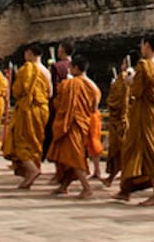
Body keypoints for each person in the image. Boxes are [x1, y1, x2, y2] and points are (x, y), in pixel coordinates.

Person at [115, 35, 154, 206]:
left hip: (143, 110)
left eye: (143, 45)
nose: (141, 48)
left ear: (148, 46)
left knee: (146, 148)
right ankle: (126, 189)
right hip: (152, 111)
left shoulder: (145, 65)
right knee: (132, 148)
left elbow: (137, 90)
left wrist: (129, 82)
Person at [3, 42, 51, 189]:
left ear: (29, 53)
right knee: (35, 142)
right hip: (42, 109)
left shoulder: (27, 69)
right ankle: (32, 172)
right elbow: (50, 94)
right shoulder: (46, 71)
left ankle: (32, 169)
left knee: (20, 142)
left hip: (27, 109)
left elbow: (17, 91)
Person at [47, 53, 94, 198]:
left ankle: (87, 188)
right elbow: (94, 106)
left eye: (71, 68)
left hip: (71, 124)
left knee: (74, 157)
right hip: (82, 123)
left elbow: (58, 102)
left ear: (75, 68)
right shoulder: (91, 85)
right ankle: (64, 186)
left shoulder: (70, 85)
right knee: (67, 157)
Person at [102, 50, 136, 187]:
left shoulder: (124, 77)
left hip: (121, 118)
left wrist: (114, 87)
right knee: (118, 150)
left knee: (120, 150)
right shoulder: (132, 77)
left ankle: (124, 179)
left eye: (123, 63)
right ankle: (112, 177)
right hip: (129, 117)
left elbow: (116, 99)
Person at [43, 39, 73, 163]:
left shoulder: (57, 66)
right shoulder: (76, 65)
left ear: (62, 51)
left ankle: (48, 156)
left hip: (57, 104)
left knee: (52, 131)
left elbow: (53, 87)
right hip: (72, 104)